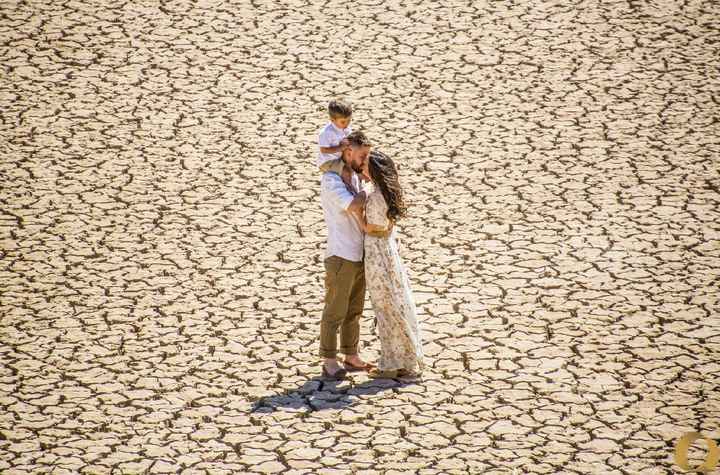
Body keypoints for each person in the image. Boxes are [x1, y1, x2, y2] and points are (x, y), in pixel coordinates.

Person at [318, 131, 391, 380]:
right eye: (363, 155)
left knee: (354, 308)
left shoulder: (358, 180)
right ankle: (329, 359)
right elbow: (353, 205)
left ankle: (351, 354)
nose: (365, 161)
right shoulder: (331, 181)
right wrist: (372, 189)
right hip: (341, 254)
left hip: (360, 252)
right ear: (348, 152)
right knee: (335, 309)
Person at [348, 150, 424, 379]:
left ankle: (391, 364)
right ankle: (402, 359)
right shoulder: (383, 193)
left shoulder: (375, 196)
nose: (362, 166)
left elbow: (373, 227)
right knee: (395, 305)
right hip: (386, 253)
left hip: (377, 256)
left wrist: (358, 214)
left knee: (385, 308)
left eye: (366, 165)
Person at [317, 99, 353, 182]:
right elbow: (323, 150)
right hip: (328, 161)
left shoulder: (346, 128)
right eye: (343, 122)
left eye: (349, 120)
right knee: (346, 172)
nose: (347, 124)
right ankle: (348, 191)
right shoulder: (327, 133)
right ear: (332, 119)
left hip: (340, 158)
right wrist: (340, 148)